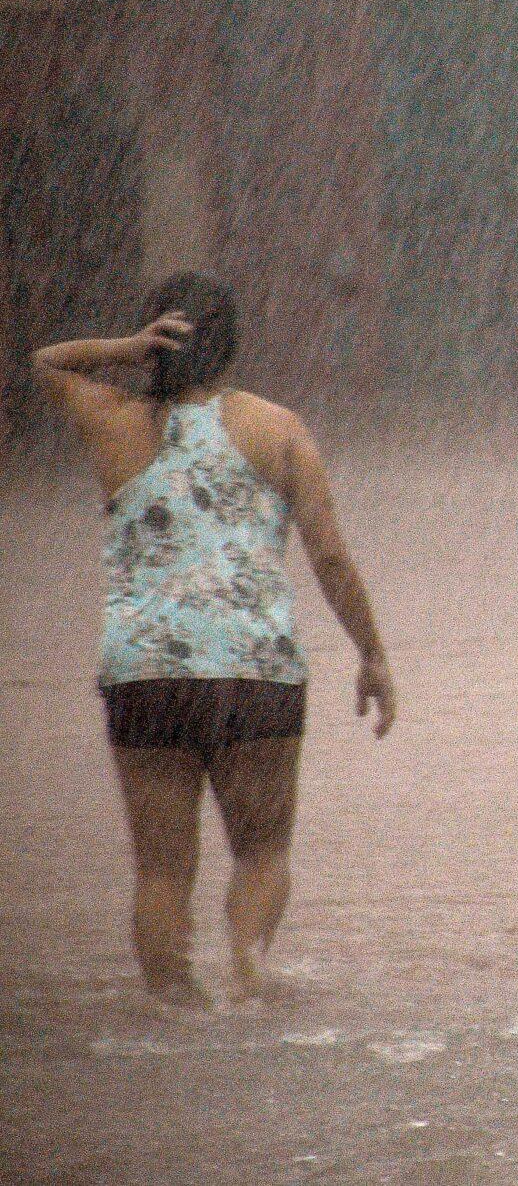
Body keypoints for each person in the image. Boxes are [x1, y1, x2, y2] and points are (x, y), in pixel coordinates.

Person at [32, 273, 395, 1007]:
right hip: (254, 671)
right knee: (262, 852)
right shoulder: (277, 429)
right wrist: (372, 652)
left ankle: (174, 1010)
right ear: (232, 346)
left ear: (156, 341)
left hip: (147, 674)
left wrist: (123, 348)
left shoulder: (115, 423)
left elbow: (45, 362)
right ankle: (248, 965)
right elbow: (329, 555)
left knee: (161, 871)